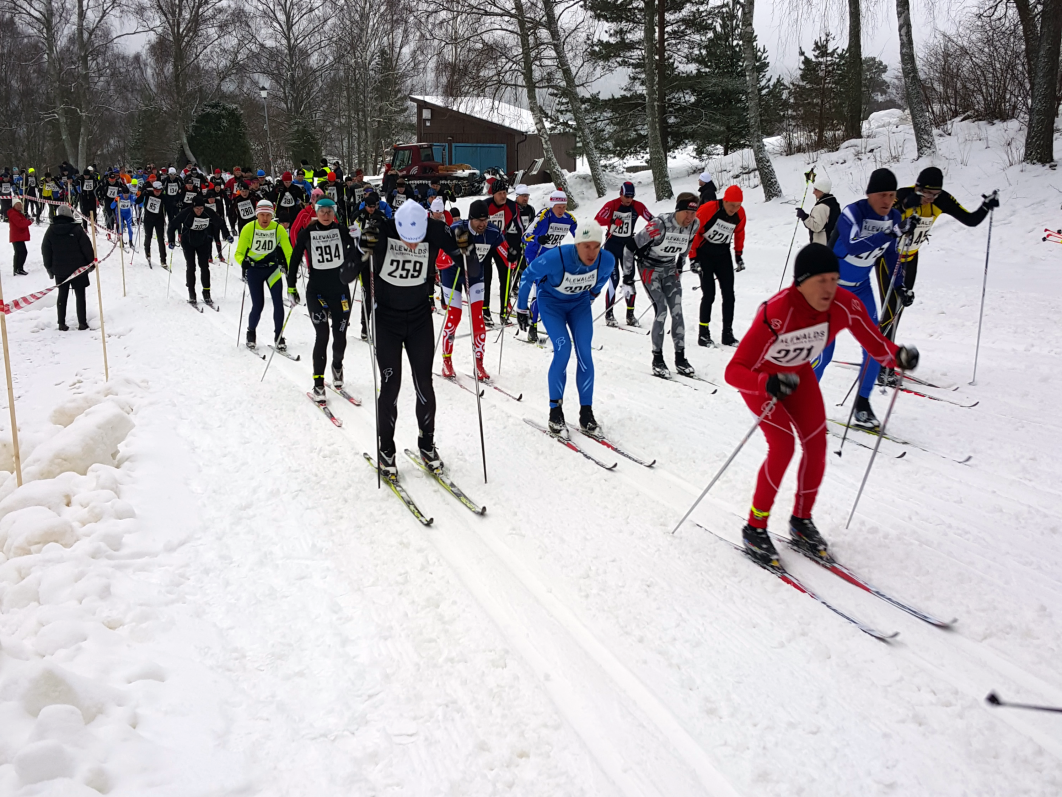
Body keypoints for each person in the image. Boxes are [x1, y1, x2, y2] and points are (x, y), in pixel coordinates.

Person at [724, 243, 920, 566]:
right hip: (763, 382)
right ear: (800, 282)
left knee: (816, 445)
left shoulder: (845, 305)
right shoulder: (777, 312)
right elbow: (734, 370)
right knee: (783, 446)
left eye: (834, 279)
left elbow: (874, 342)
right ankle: (755, 527)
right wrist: (766, 383)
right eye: (821, 281)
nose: (830, 288)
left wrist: (896, 356)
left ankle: (801, 522)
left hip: (799, 375)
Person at [357, 199, 469, 476]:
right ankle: (386, 449)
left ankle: (427, 443)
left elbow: (472, 267)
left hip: (419, 320)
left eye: (416, 242)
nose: (410, 247)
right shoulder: (380, 229)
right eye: (406, 241)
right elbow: (350, 272)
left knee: (424, 384)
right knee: (390, 386)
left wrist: (465, 244)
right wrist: (362, 248)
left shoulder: (435, 229)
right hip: (386, 321)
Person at [813, 168, 910, 428]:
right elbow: (854, 244)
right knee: (824, 352)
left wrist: (899, 286)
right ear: (870, 194)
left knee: (874, 347)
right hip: (830, 289)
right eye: (882, 195)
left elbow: (891, 256)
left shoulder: (894, 217)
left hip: (860, 289)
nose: (887, 201)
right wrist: (891, 233)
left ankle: (863, 404)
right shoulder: (852, 213)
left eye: (892, 195)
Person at [881, 166, 999, 349]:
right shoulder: (903, 195)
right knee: (889, 309)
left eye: (935, 194)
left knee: (899, 309)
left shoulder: (942, 200)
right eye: (926, 193)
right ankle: (880, 363)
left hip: (910, 257)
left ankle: (882, 353)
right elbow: (881, 221)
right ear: (917, 187)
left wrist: (985, 207)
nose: (930, 199)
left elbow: (970, 220)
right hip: (887, 257)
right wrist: (903, 205)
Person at [516, 224, 613, 436]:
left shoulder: (606, 260)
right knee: (563, 350)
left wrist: (591, 296)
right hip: (551, 305)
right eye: (586, 246)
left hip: (579, 306)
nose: (591, 252)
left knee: (585, 353)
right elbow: (527, 275)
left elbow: (602, 281)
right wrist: (522, 308)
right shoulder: (556, 257)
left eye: (596, 246)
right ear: (576, 244)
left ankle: (586, 413)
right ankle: (555, 412)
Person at [287, 197, 360, 402]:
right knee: (322, 334)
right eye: (322, 211)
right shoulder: (308, 232)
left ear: (334, 212)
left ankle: (337, 367)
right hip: (316, 291)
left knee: (340, 334)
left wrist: (359, 239)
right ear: (316, 212)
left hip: (340, 291)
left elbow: (357, 253)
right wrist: (291, 286)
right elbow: (294, 260)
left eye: (329, 211)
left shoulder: (342, 230)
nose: (326, 215)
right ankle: (318, 383)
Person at [633, 193, 702, 378]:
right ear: (678, 210)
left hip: (669, 267)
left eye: (693, 213)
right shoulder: (660, 224)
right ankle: (658, 358)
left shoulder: (695, 224)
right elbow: (630, 246)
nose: (690, 217)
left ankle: (680, 357)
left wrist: (681, 263)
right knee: (661, 309)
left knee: (677, 310)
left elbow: (687, 244)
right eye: (687, 212)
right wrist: (626, 278)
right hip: (649, 268)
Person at [439, 200, 507, 381]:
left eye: (485, 220)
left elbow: (506, 252)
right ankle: (446, 361)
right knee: (455, 315)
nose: (482, 224)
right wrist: (455, 256)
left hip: (475, 274)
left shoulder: (492, 232)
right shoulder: (456, 229)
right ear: (471, 219)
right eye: (479, 220)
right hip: (452, 273)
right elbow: (439, 260)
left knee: (478, 317)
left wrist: (513, 256)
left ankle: (479, 364)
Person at [687, 185, 746, 347]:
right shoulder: (707, 209)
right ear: (724, 200)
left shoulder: (740, 214)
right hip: (704, 254)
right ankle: (703, 334)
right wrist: (693, 258)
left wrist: (738, 255)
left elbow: (739, 232)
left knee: (729, 294)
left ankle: (727, 333)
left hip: (723, 254)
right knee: (709, 294)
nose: (735, 209)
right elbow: (692, 232)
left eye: (738, 205)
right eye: (732, 205)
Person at [235, 199, 293, 351]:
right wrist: (243, 262)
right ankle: (251, 332)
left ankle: (279, 336)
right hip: (254, 270)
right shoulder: (249, 228)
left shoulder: (277, 229)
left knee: (278, 303)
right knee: (258, 304)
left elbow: (288, 252)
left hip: (272, 269)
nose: (265, 219)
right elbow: (239, 253)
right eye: (262, 215)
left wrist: (291, 268)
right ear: (257, 215)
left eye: (268, 215)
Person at [593, 181, 653, 328]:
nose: (628, 200)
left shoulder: (637, 206)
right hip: (612, 247)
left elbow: (652, 219)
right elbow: (597, 220)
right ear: (620, 194)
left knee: (629, 280)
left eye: (631, 197)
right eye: (626, 196)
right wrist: (612, 220)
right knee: (614, 280)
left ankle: (630, 315)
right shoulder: (612, 205)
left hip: (627, 248)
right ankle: (609, 314)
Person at [42, 205, 94, 331]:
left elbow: (45, 250)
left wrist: (49, 267)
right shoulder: (77, 229)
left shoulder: (51, 230)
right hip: (78, 269)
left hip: (59, 269)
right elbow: (86, 247)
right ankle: (82, 322)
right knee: (80, 295)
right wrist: (90, 263)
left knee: (62, 295)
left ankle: (61, 323)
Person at [169, 195, 225, 306]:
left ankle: (206, 292)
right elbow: (172, 225)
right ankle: (192, 293)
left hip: (203, 242)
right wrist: (171, 240)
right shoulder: (186, 212)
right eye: (197, 209)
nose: (199, 211)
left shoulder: (208, 212)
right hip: (188, 242)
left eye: (201, 209)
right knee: (191, 267)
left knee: (204, 267)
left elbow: (220, 223)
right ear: (193, 207)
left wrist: (227, 235)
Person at [483, 180, 523, 325]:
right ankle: (485, 311)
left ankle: (503, 311)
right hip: (485, 243)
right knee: (486, 277)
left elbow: (518, 226)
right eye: (500, 193)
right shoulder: (485, 205)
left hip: (501, 242)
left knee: (506, 277)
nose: (503, 196)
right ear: (493, 194)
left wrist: (518, 246)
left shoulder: (512, 206)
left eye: (505, 192)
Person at [796, 174, 840, 246]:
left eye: (816, 189)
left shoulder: (821, 207)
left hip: (822, 244)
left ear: (822, 191)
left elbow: (817, 227)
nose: (813, 192)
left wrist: (804, 216)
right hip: (831, 242)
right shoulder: (832, 202)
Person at [142, 181, 168, 268]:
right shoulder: (148, 194)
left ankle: (163, 259)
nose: (157, 192)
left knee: (161, 239)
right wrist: (142, 194)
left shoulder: (163, 197)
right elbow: (138, 201)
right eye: (156, 190)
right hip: (148, 219)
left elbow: (169, 205)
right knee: (148, 236)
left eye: (159, 191)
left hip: (159, 220)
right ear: (153, 189)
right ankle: (147, 253)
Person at [8, 200, 31, 275]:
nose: (19, 206)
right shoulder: (14, 214)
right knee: (22, 252)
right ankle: (19, 268)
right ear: (14, 205)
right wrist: (29, 221)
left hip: (18, 236)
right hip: (17, 236)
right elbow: (20, 224)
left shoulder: (17, 213)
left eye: (20, 204)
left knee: (19, 253)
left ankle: (17, 268)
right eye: (17, 204)